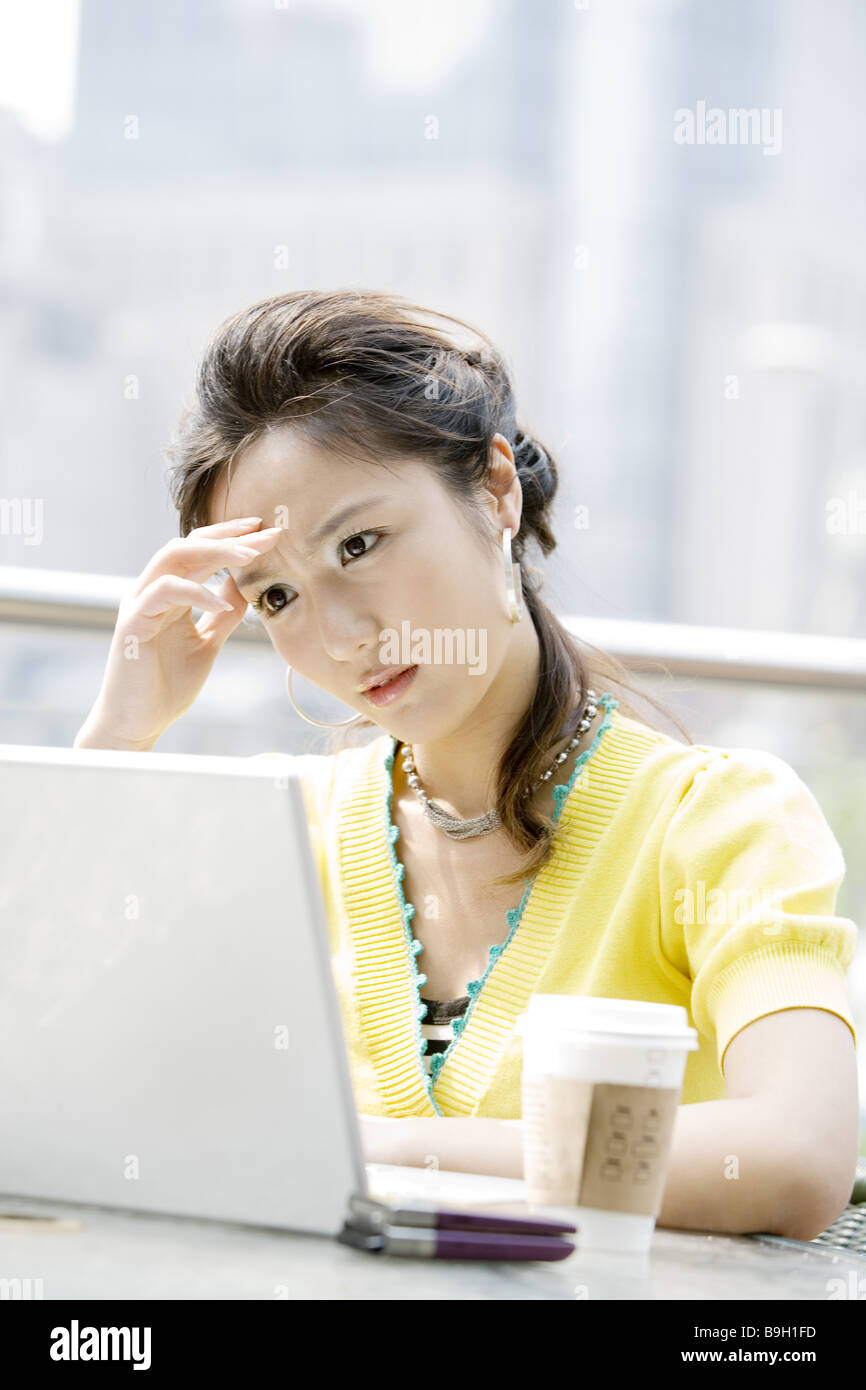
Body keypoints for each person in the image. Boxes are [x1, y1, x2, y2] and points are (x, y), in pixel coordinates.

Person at [75, 288, 859, 1241]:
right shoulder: (288, 833)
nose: (342, 636)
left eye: (359, 544)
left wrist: (360, 1152)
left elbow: (796, 1157)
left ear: (495, 492)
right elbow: (70, 1088)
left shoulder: (717, 822)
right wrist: (120, 736)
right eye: (276, 597)